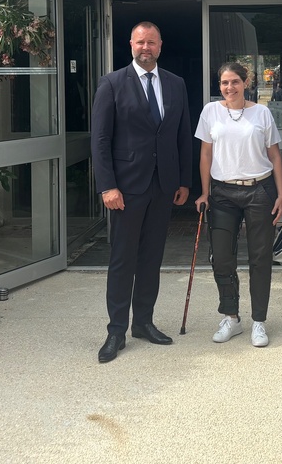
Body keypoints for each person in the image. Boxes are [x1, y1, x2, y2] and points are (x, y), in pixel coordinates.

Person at [91, 21, 192, 363]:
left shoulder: (176, 84)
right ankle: (116, 330)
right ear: (130, 45)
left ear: (160, 46)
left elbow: (181, 135)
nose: (145, 47)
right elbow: (100, 141)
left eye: (151, 42)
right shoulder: (112, 83)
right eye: (139, 42)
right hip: (125, 189)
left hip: (163, 187)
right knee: (122, 260)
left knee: (151, 259)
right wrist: (107, 186)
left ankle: (144, 323)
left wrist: (183, 181)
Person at [194, 62, 282, 347]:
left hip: (259, 190)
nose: (229, 87)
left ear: (246, 83)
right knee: (221, 257)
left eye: (234, 81)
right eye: (224, 83)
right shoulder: (210, 112)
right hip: (222, 194)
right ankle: (231, 317)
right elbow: (206, 155)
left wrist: (281, 195)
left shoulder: (262, 112)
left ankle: (259, 321)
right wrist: (204, 192)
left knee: (260, 258)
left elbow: (275, 155)